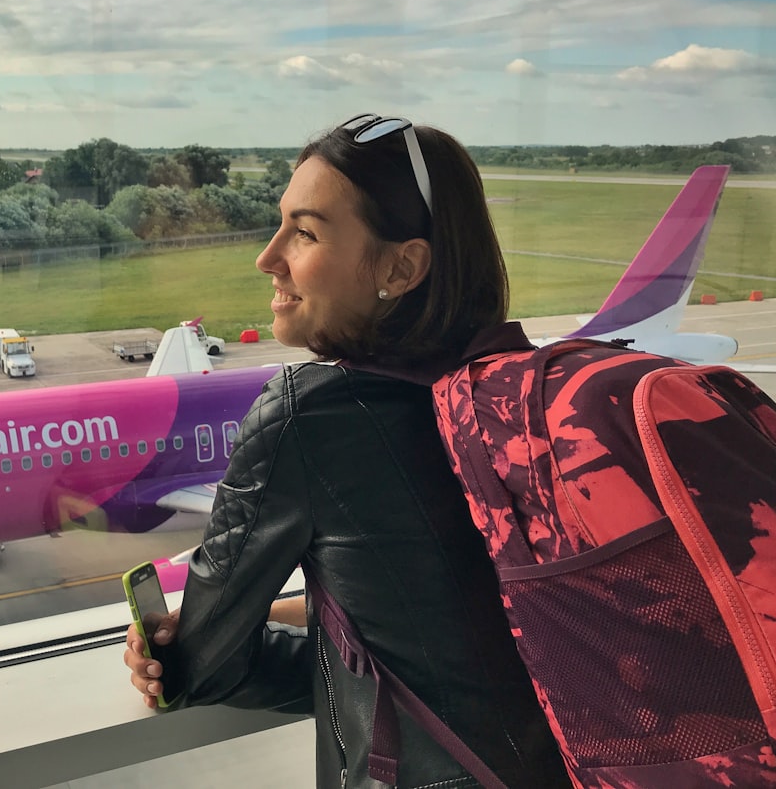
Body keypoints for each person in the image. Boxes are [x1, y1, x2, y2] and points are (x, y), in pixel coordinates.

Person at [122, 116, 568, 788]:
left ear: (401, 266)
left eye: (304, 232)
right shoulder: (518, 393)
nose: (267, 257)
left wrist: (178, 650)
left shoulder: (309, 415)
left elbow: (203, 667)